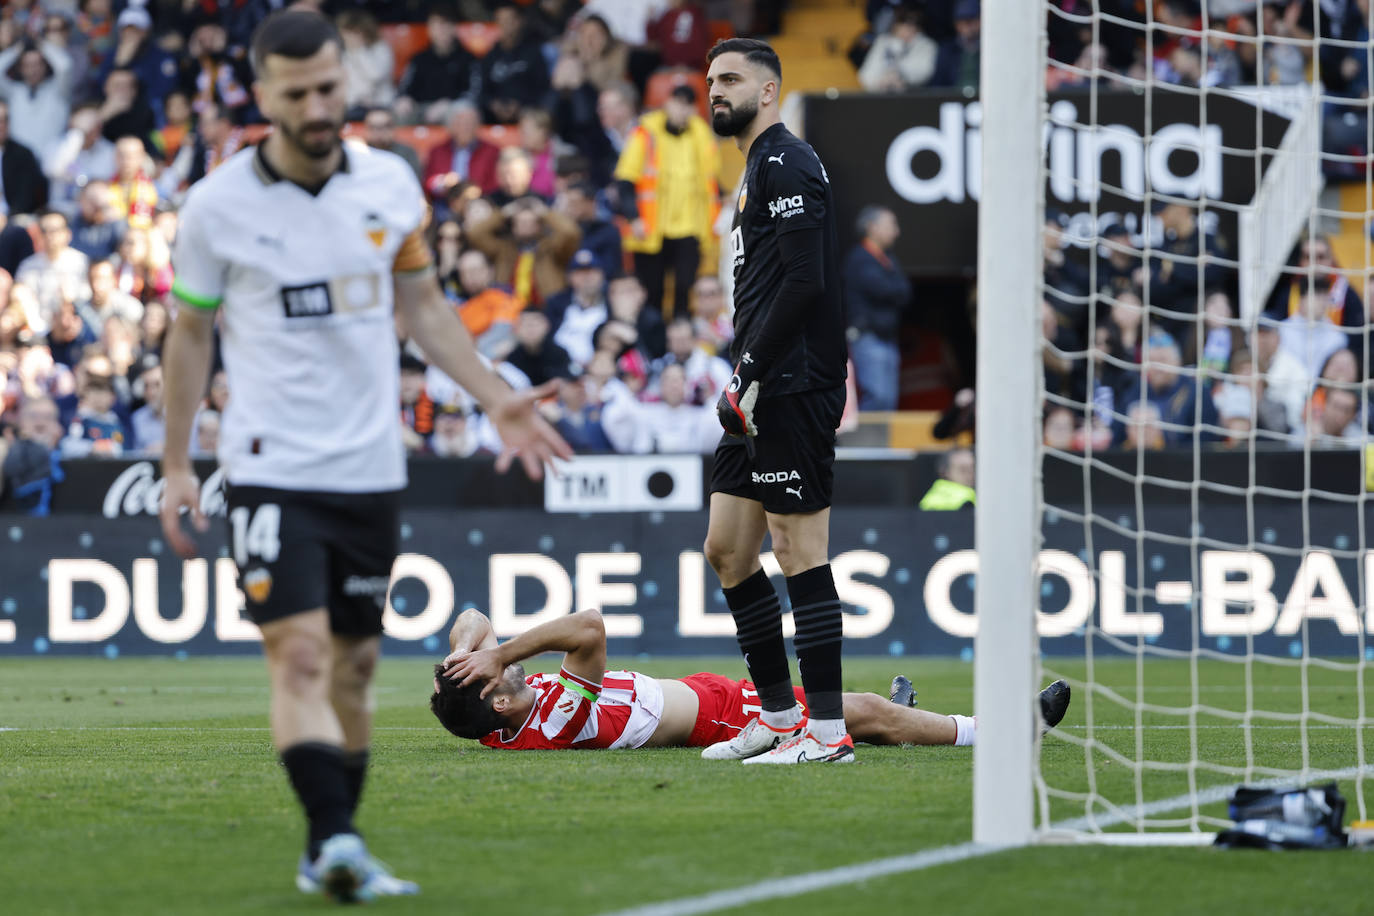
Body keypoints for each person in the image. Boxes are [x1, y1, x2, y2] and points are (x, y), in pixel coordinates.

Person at [156, 10, 572, 904]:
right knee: (300, 660)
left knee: (353, 668)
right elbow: (190, 335)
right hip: (270, 464)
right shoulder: (216, 205)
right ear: (260, 94)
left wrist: (495, 393)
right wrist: (178, 460)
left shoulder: (389, 185)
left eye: (327, 88)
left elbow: (424, 311)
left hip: (370, 470)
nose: (315, 105)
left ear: (346, 83)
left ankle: (327, 848)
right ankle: (338, 837)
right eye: (295, 92)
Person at [700, 38, 851, 764]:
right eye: (709, 80)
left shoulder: (788, 159)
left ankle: (827, 735)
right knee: (728, 550)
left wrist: (750, 370)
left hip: (790, 380)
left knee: (797, 549)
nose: (714, 91)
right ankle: (779, 717)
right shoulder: (755, 169)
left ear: (769, 92)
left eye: (730, 79)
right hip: (755, 382)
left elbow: (805, 281)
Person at [433, 608, 1071, 751]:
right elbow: (590, 627)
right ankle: (1011, 731)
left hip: (699, 693)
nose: (503, 659)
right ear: (494, 695)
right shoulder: (554, 718)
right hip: (721, 716)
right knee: (867, 708)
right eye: (493, 668)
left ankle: (887, 727)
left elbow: (471, 618)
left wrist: (468, 650)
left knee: (855, 711)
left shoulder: (503, 716)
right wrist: (498, 652)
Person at [614, 83, 720, 319]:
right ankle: (654, 344)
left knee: (685, 287)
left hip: (691, 226)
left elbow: (710, 181)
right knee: (652, 291)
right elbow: (625, 181)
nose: (682, 110)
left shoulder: (701, 135)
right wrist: (634, 218)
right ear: (667, 103)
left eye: (688, 105)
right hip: (652, 228)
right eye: (678, 103)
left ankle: (682, 339)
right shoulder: (646, 133)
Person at [844, 205, 910, 411]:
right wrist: (894, 289)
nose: (896, 231)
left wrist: (895, 289)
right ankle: (862, 444)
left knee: (888, 401)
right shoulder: (860, 258)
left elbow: (905, 291)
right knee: (877, 397)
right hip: (868, 338)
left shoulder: (888, 259)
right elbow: (885, 290)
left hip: (887, 339)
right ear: (872, 227)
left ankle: (879, 444)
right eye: (891, 225)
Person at [0, 100, 49, 216]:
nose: (1, 125)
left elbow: (26, 195)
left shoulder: (23, 154)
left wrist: (8, 219)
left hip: (13, 218)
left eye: (5, 120)